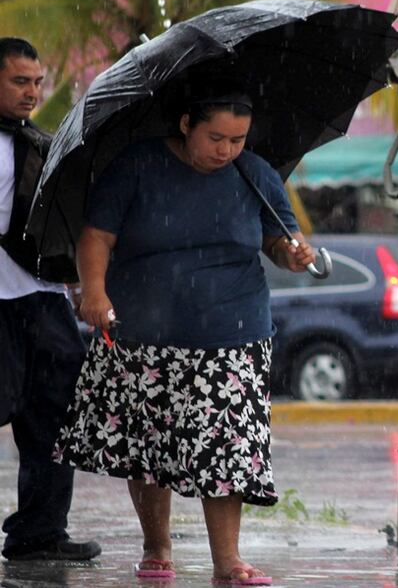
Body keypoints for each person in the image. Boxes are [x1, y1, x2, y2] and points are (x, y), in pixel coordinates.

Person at [52, 76, 316, 585]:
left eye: (237, 140)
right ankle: (157, 545)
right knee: (149, 445)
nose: (226, 150)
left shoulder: (255, 174)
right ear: (186, 124)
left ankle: (228, 560)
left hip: (233, 333)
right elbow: (96, 236)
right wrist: (96, 291)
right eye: (215, 138)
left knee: (230, 447)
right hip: (143, 332)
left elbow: (281, 241)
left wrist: (295, 253)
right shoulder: (136, 166)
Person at [0, 37, 101, 562]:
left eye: (38, 82)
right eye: (20, 81)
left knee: (55, 419)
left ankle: (39, 534)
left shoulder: (39, 143)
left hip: (40, 301)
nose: (32, 93)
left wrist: (81, 281)